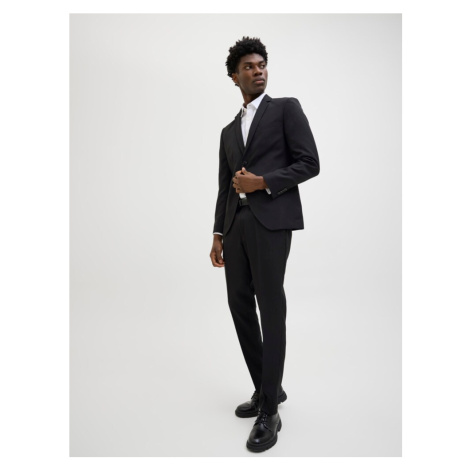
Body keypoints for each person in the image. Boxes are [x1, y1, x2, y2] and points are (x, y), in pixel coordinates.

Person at [210, 36, 320, 452]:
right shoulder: (227, 131)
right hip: (235, 226)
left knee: (270, 307)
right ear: (234, 76)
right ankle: (266, 386)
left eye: (261, 65)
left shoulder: (286, 109)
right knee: (238, 304)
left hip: (271, 222)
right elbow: (224, 186)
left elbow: (310, 162)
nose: (258, 71)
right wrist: (218, 233)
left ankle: (269, 410)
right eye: (249, 67)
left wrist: (263, 183)